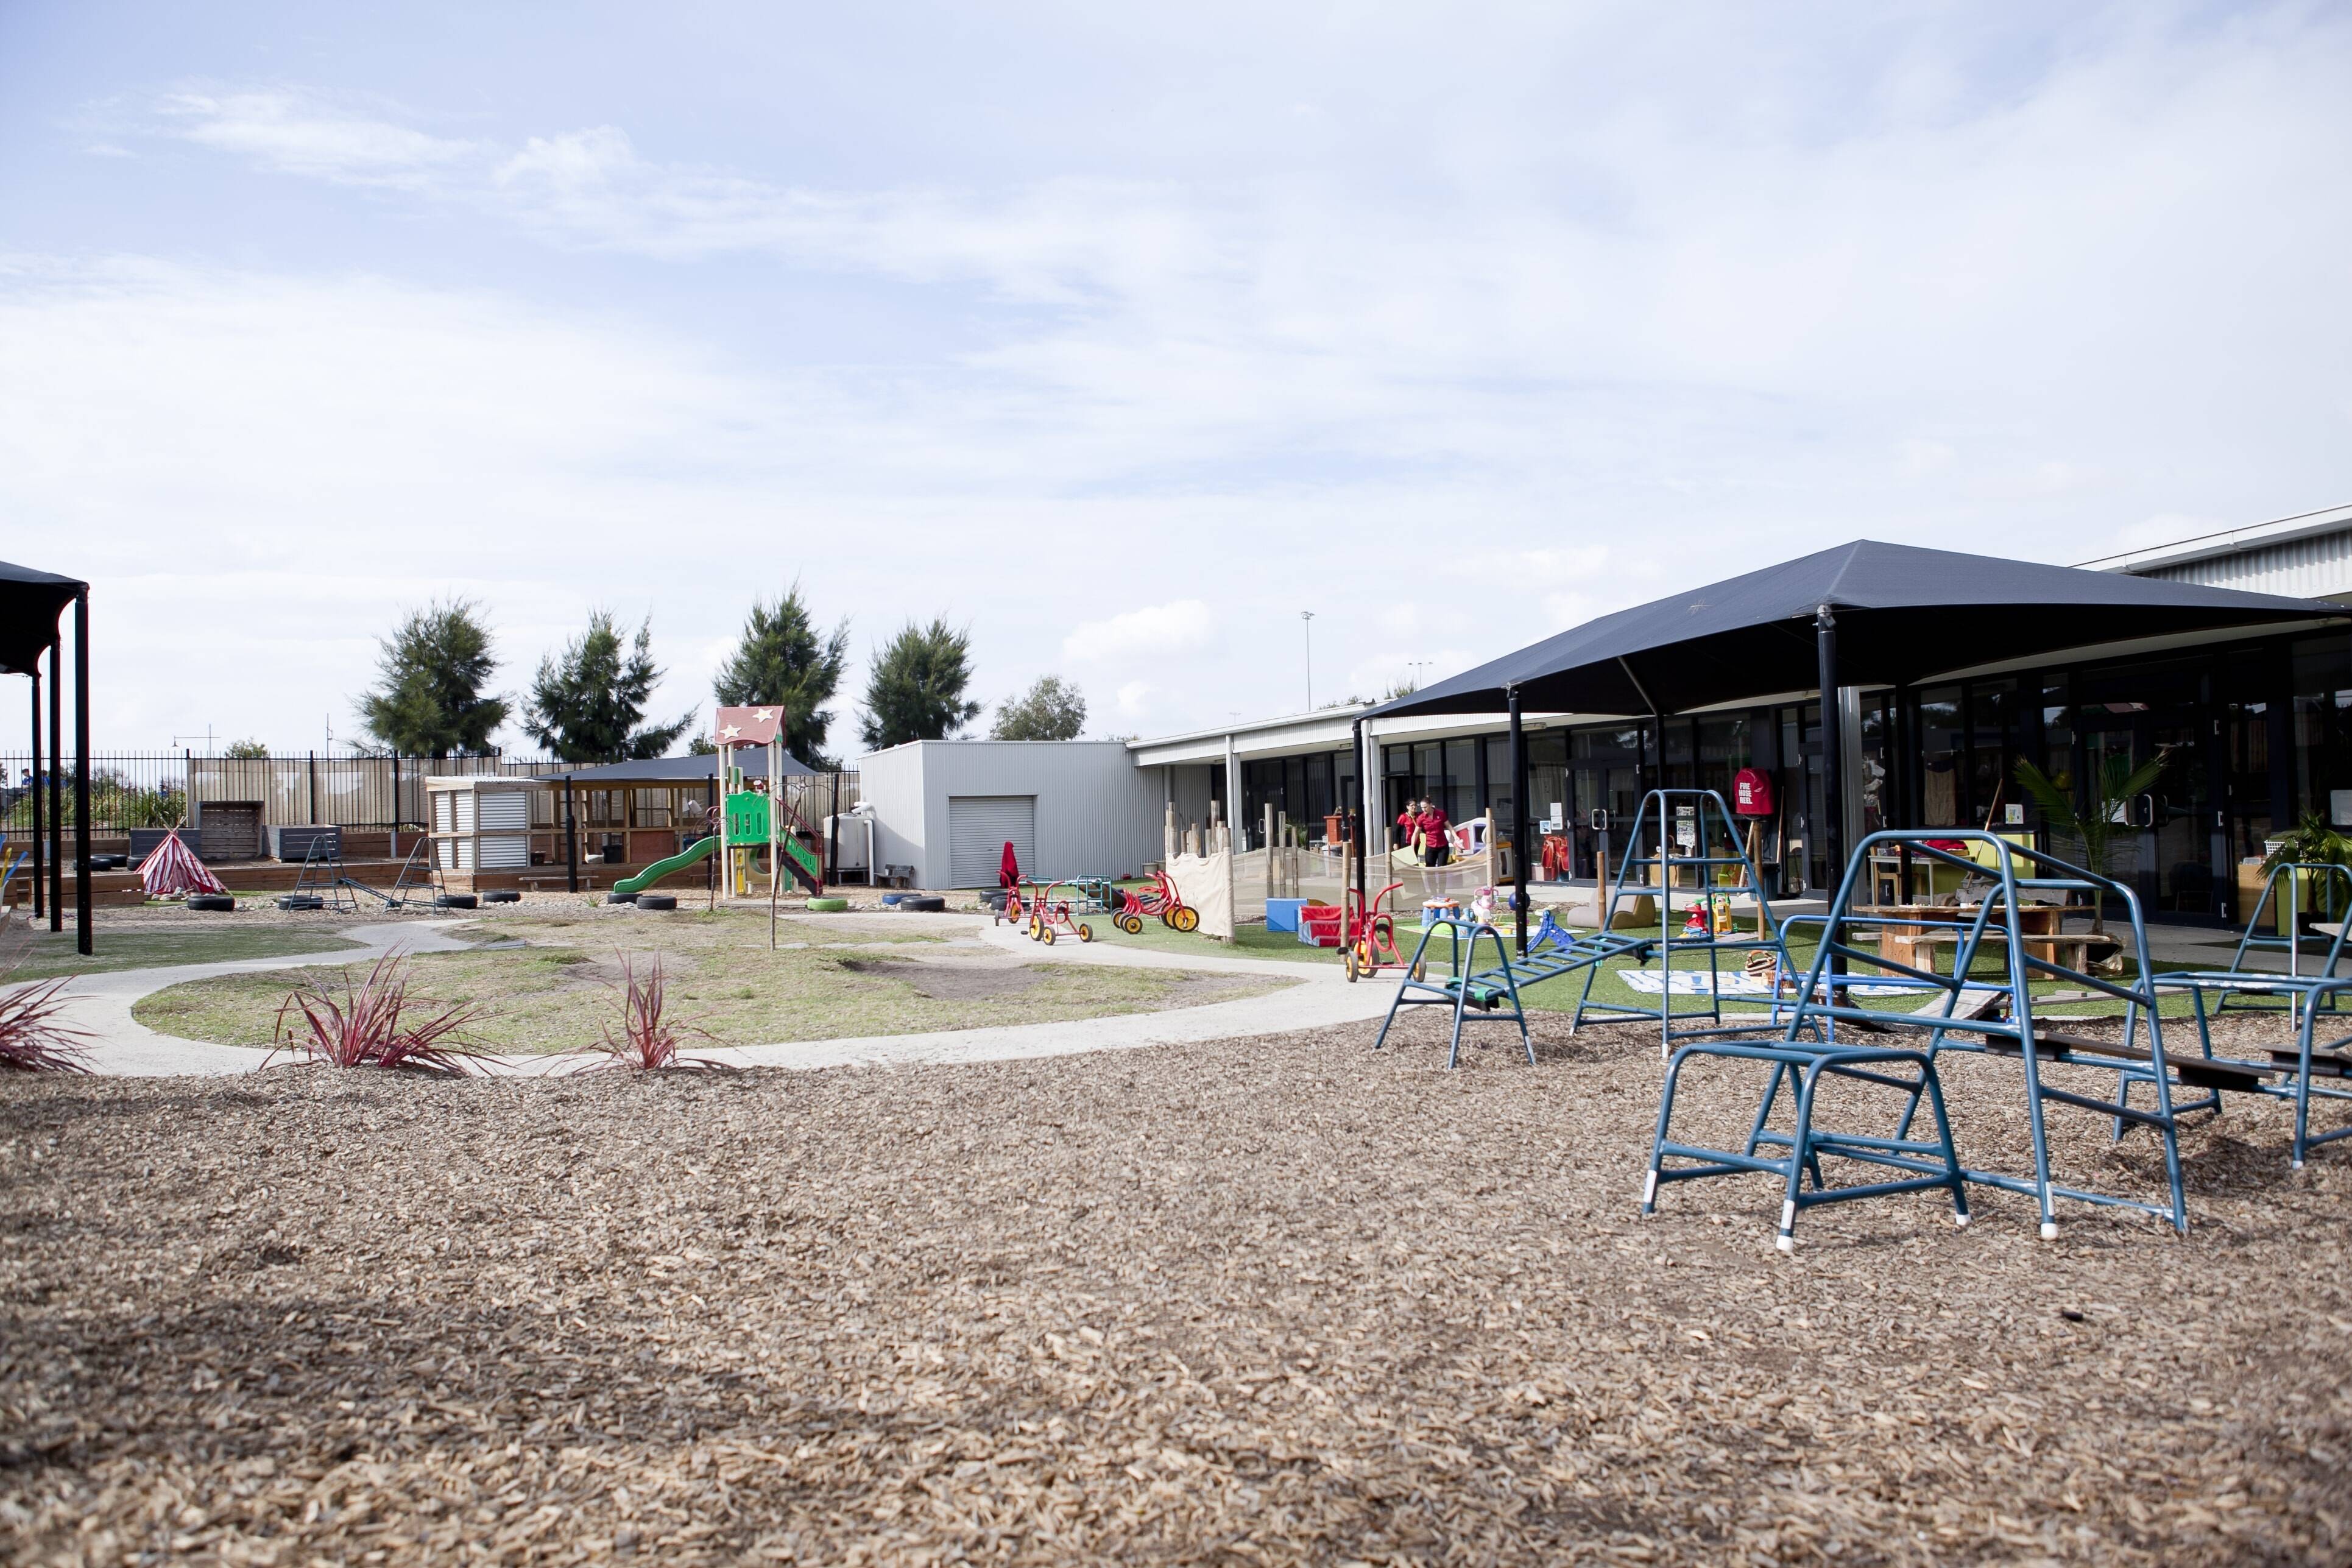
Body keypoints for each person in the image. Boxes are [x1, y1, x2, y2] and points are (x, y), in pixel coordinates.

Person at [1417, 799, 1452, 867]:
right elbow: (1416, 832)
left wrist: (1456, 837)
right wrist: (1412, 846)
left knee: (1442, 869)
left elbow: (1449, 826)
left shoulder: (1441, 813)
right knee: (1430, 868)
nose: (1424, 809)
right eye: (1422, 808)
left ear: (1431, 805)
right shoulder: (1421, 818)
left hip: (1443, 845)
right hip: (1430, 846)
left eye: (1425, 807)